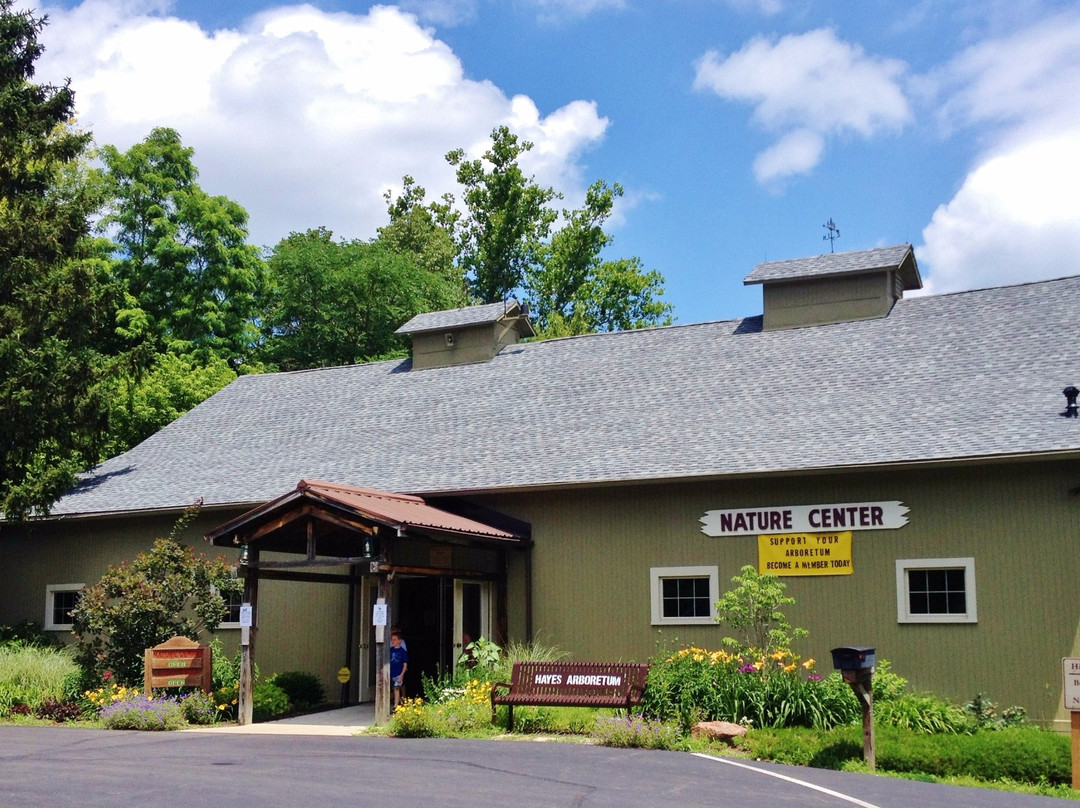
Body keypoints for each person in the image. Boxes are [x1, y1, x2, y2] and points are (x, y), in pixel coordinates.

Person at [390, 630, 408, 708]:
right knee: (394, 689)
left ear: (400, 641)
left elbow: (405, 664)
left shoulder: (403, 652)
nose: (393, 641)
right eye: (392, 640)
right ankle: (401, 702)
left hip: (398, 673)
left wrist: (402, 675)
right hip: (391, 673)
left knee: (396, 688)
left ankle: (395, 705)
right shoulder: (390, 650)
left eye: (394, 639)